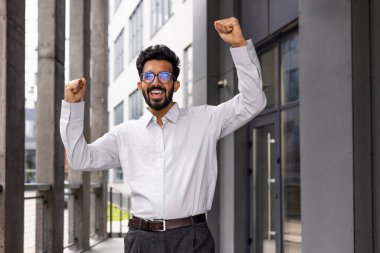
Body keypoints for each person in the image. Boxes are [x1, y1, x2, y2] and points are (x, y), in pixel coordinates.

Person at [60, 17, 266, 253]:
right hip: (142, 240)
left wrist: (238, 45)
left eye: (165, 77)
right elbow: (79, 158)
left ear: (175, 85)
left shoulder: (205, 120)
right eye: (148, 77)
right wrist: (73, 108)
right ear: (140, 86)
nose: (156, 82)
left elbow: (253, 101)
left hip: (192, 239)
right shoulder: (125, 134)